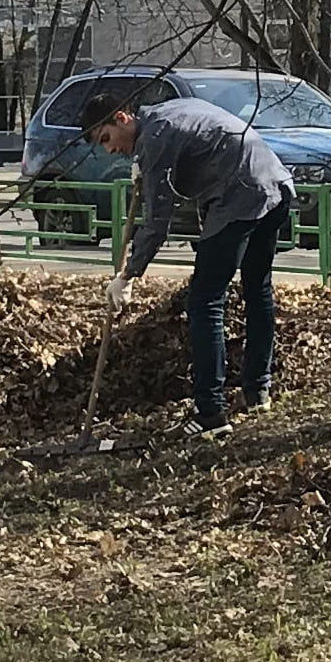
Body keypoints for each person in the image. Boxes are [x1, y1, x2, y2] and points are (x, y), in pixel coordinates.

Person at [88, 90, 293, 436]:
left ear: (122, 118)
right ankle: (258, 391)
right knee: (257, 288)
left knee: (204, 301)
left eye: (106, 138)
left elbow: (158, 222)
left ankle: (210, 414)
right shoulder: (169, 113)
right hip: (273, 183)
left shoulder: (155, 137)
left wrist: (128, 275)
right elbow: (206, 155)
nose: (109, 149)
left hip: (241, 194)